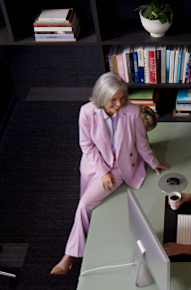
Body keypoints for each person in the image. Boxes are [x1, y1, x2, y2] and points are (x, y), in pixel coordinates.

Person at [52, 72, 170, 274]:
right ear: (101, 96)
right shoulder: (87, 112)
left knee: (85, 205)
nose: (119, 103)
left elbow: (142, 142)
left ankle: (69, 256)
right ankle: (82, 242)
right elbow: (86, 145)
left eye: (122, 97)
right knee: (87, 204)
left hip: (119, 167)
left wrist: (154, 162)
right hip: (94, 165)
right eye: (113, 99)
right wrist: (102, 171)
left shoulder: (132, 112)